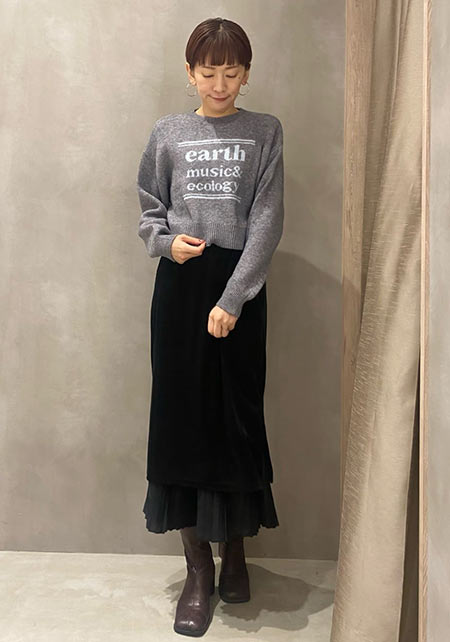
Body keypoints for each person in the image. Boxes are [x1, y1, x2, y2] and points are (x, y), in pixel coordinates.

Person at [136, 16, 284, 637]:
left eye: (231, 72)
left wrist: (232, 298)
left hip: (237, 288)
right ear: (190, 72)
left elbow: (267, 220)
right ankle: (198, 569)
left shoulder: (264, 131)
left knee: (236, 420)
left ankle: (236, 552)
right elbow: (149, 208)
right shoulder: (168, 132)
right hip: (180, 285)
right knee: (183, 422)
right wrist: (166, 244)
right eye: (208, 71)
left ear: (246, 74)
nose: (219, 83)